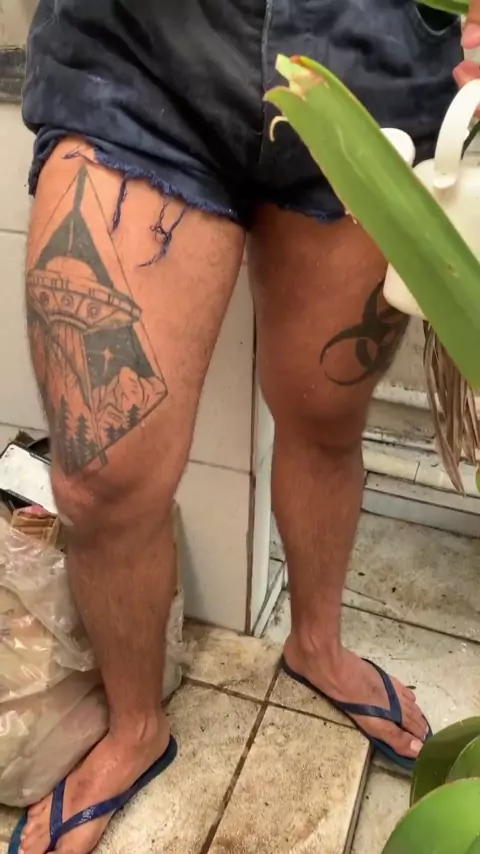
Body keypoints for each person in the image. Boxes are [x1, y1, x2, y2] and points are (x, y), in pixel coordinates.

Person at [12, 2, 479, 852]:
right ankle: (134, 727)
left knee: (326, 415)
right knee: (102, 470)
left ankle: (317, 647)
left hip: (372, 67)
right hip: (137, 54)